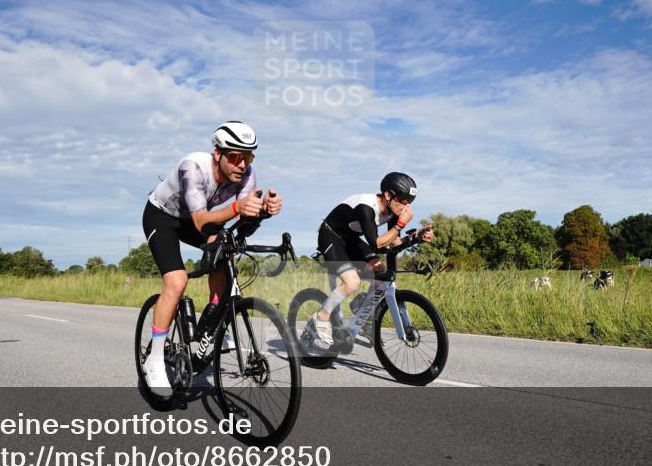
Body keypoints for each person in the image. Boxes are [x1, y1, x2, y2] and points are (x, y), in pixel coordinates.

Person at [142, 121, 283, 395]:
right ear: (217, 154)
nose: (242, 164)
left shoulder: (247, 176)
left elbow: (241, 223)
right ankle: (155, 360)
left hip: (201, 218)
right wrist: (236, 207)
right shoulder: (193, 167)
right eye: (235, 157)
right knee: (177, 281)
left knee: (225, 251)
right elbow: (200, 222)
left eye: (248, 157)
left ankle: (211, 322)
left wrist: (262, 211)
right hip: (163, 217)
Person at [308, 172, 434, 354]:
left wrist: (416, 238)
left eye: (410, 202)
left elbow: (393, 243)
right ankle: (322, 315)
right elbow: (377, 244)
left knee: (379, 273)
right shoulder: (366, 207)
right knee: (352, 282)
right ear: (388, 195)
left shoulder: (392, 212)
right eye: (404, 201)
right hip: (331, 236)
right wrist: (400, 225)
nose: (407, 207)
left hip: (351, 239)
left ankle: (363, 313)